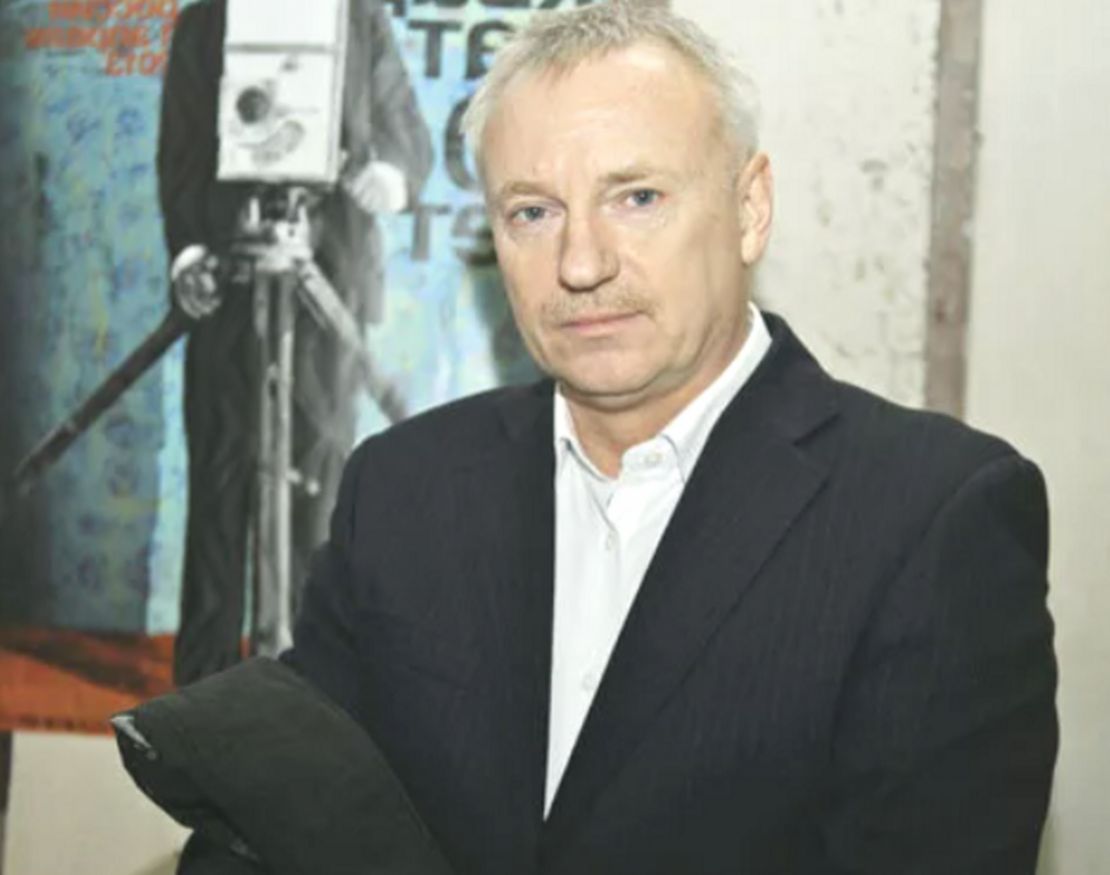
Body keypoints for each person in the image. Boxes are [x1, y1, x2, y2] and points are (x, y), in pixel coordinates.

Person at [175, 2, 1057, 872]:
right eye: (533, 212)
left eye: (637, 198)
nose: (581, 263)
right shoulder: (404, 488)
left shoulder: (934, 519)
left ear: (750, 208)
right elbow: (269, 824)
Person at [157, 0, 434, 685]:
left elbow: (408, 137)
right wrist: (189, 253)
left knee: (320, 481)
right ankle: (206, 680)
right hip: (226, 285)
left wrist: (391, 178)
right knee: (220, 481)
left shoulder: (360, 20)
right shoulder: (205, 22)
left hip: (328, 283)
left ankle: (309, 680)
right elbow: (181, 155)